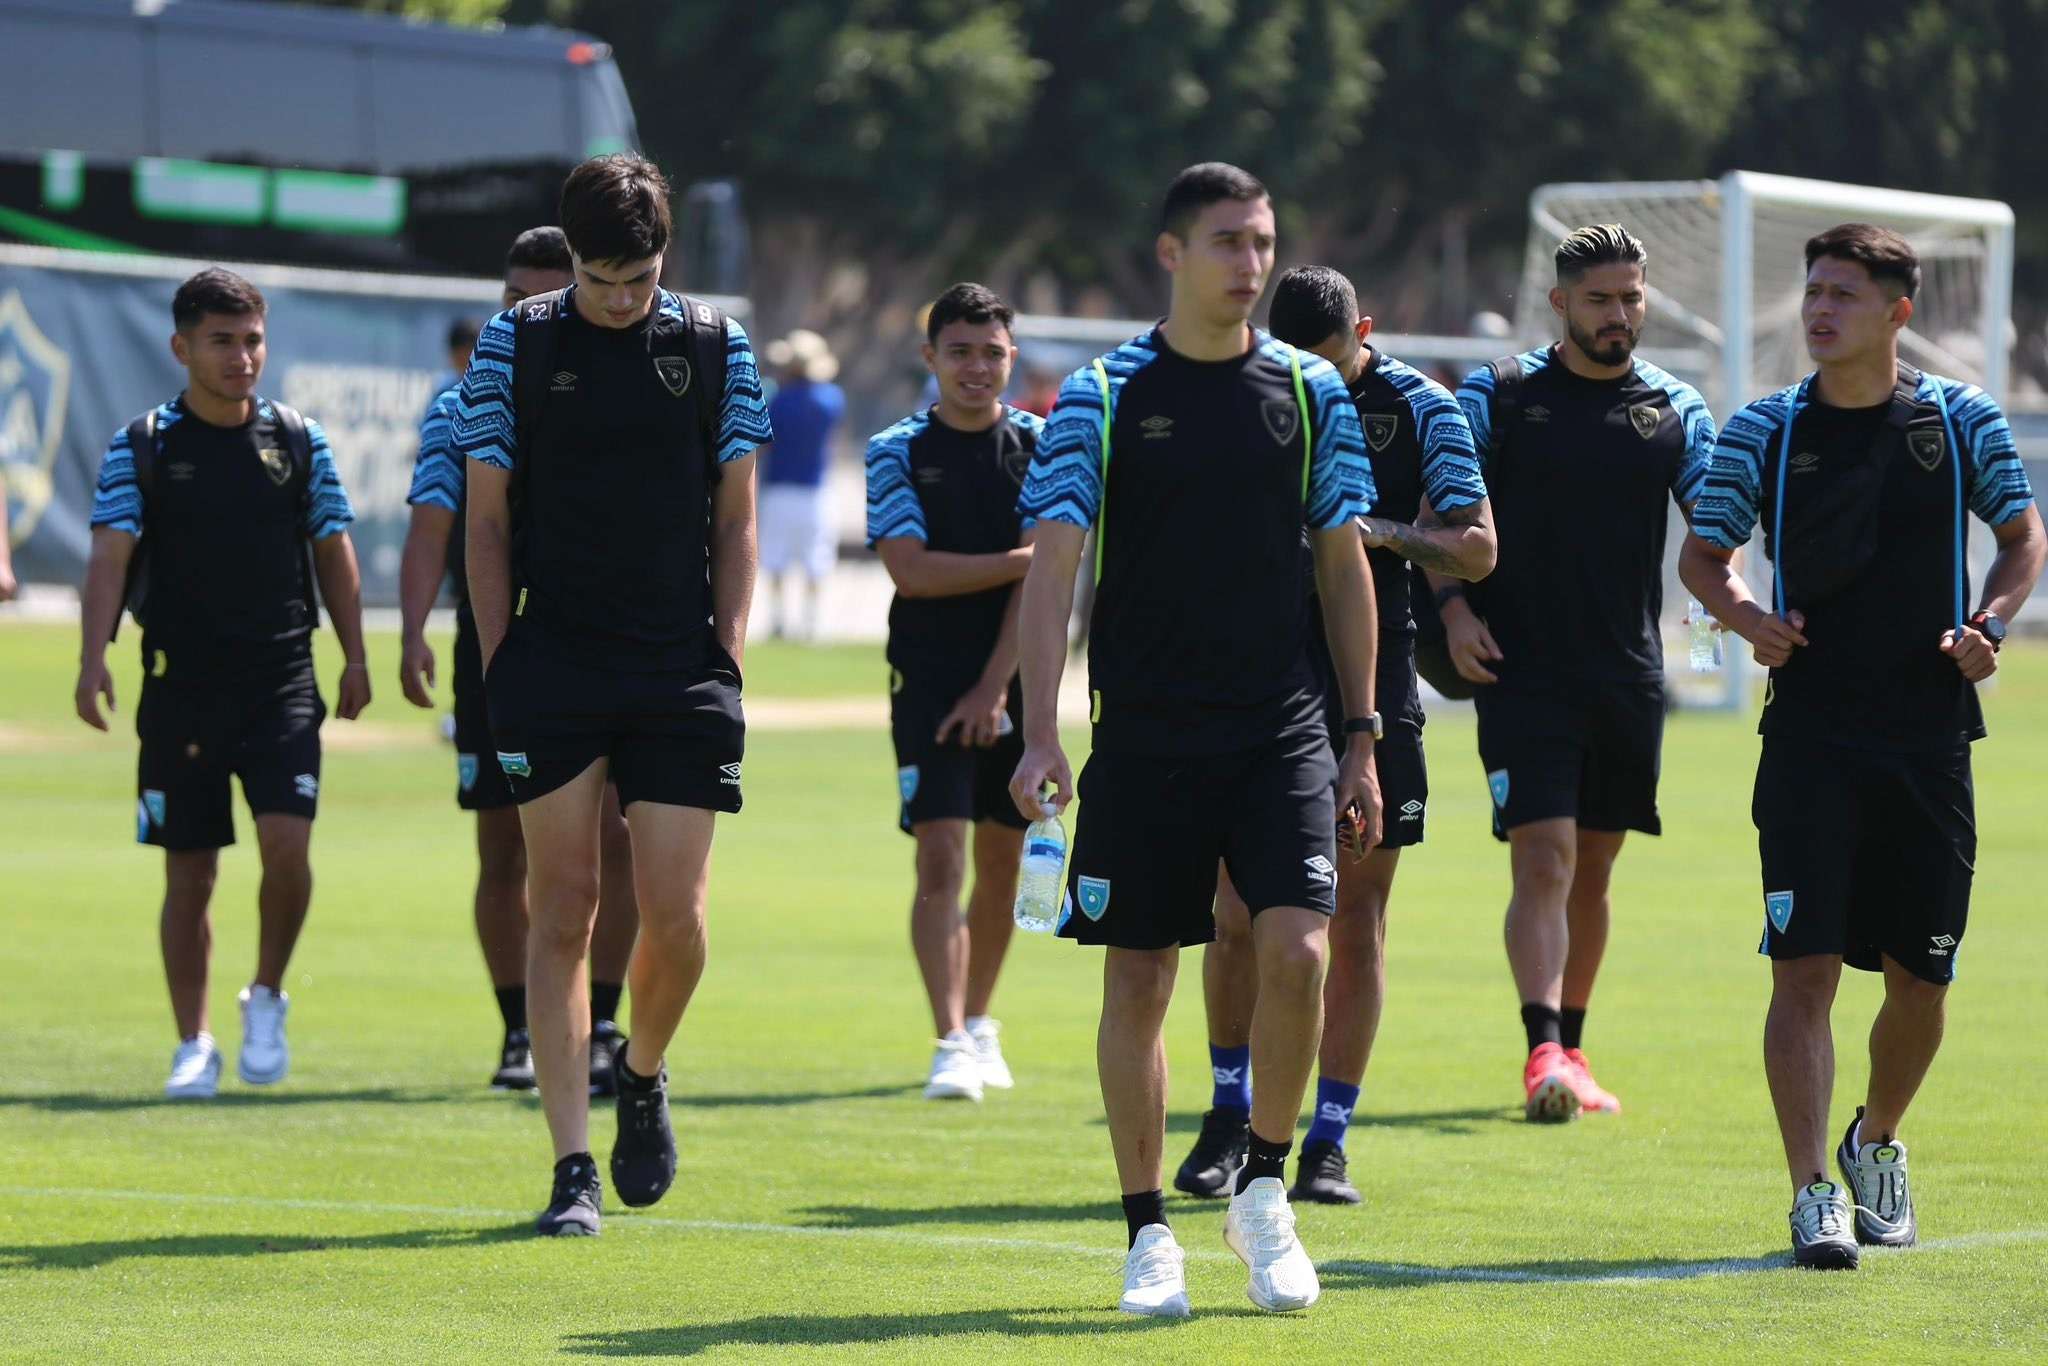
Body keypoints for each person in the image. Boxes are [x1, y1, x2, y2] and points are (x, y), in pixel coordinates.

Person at [1011, 163, 1377, 1318]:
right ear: (1171, 253)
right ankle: (1143, 1231)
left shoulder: (1312, 390)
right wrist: (1038, 731)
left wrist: (1361, 732)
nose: (1252, 262)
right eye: (1228, 241)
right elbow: (1055, 565)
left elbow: (1343, 561)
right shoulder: (1102, 394)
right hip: (1146, 738)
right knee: (1139, 976)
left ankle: (1261, 1188)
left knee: (1300, 954)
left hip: (1283, 730)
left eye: (1263, 241)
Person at [1679, 224, 2043, 1270]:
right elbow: (1705, 557)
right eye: (1812, 291)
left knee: (1918, 980)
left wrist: (1988, 624)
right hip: (1808, 736)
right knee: (1799, 972)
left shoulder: (1958, 419)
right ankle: (1810, 1193)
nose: (1817, 309)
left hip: (1927, 736)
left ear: (1897, 312)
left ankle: (1874, 1136)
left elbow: (2021, 538)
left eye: (1842, 293)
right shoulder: (1762, 431)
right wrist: (1746, 618)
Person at [460, 155, 770, 1237]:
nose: (620, 300)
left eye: (637, 280)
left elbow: (737, 518)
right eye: (601, 280)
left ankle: (640, 1072)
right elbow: (485, 518)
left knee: (677, 918)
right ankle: (570, 1169)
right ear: (570, 259)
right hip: (554, 659)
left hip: (677, 662)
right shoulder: (518, 339)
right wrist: (501, 658)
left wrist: (726, 649)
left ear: (663, 259)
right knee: (566, 906)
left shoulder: (716, 345)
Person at [1176, 266, 1492, 1205]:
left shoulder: (1423, 406)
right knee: (1233, 919)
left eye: (1332, 362)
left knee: (1355, 923)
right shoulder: (1242, 395)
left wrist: (1376, 534)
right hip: (1256, 684)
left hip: (1375, 683)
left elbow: (1478, 545)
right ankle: (1229, 1117)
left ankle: (1329, 1140)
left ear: (1366, 329)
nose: (1312, 382)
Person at [1427, 224, 1715, 1123]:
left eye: (1631, 298)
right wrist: (1453, 609)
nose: (1618, 314)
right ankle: (1541, 1048)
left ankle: (1574, 1048)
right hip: (1520, 668)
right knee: (1543, 859)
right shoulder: (1501, 397)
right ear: (1560, 303)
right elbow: (1438, 510)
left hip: (1628, 675)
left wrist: (1718, 640)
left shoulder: (1678, 409)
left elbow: (1716, 539)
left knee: (1594, 869)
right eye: (1600, 300)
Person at [73, 267, 370, 1099]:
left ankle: (267, 994)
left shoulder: (299, 441)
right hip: (181, 686)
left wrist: (355, 653)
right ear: (181, 347)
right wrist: (93, 655)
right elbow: (109, 554)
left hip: (280, 679)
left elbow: (334, 550)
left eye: (252, 341)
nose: (242, 358)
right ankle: (193, 1042)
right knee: (190, 873)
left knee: (288, 848)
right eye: (222, 342)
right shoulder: (143, 446)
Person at [397, 228, 640, 1096]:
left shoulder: (630, 383)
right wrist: (413, 629)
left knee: (617, 840)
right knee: (504, 850)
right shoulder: (463, 405)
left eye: (545, 297)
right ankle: (518, 1034)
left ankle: (604, 1024)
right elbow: (436, 524)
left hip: (617, 643)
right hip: (499, 646)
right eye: (515, 299)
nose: (530, 314)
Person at [866, 283, 1040, 1103]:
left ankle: (979, 1023)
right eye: (960, 351)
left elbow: (1046, 592)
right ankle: (947, 1039)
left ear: (1013, 358)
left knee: (1004, 861)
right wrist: (1021, 560)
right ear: (930, 356)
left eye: (992, 353)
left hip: (1019, 688)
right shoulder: (895, 449)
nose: (977, 367)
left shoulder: (1043, 444)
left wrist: (996, 688)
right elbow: (913, 571)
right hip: (928, 685)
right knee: (940, 856)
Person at [759, 329, 846, 640]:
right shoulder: (831, 399)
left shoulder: (777, 400)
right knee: (815, 560)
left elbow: (764, 444)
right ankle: (811, 622)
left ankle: (778, 620)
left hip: (780, 488)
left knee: (776, 558)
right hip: (816, 490)